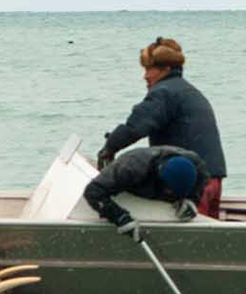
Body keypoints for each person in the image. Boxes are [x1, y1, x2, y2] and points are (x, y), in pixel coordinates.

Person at [96, 36, 227, 217]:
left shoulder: (164, 93)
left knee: (190, 240)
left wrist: (109, 147)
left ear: (165, 69)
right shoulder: (189, 91)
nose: (145, 75)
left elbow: (136, 127)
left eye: (149, 69)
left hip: (191, 182)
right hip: (212, 180)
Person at [83, 145, 210, 243]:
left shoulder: (198, 167)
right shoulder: (131, 168)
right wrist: (119, 217)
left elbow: (200, 184)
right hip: (131, 179)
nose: (173, 196)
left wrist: (192, 201)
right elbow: (93, 191)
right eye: (170, 192)